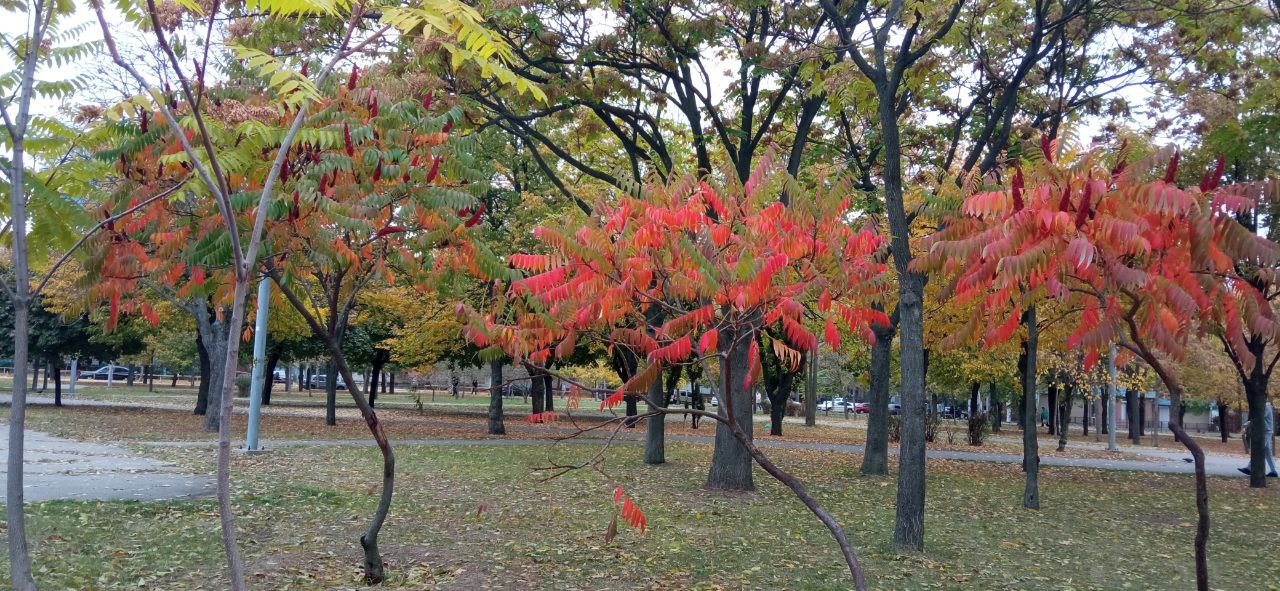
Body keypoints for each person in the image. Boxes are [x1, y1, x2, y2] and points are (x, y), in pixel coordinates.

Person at [1239, 400, 1278, 478]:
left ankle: (1249, 468)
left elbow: (1259, 417)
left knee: (1259, 449)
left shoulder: (1266, 407)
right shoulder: (1265, 406)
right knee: (1268, 453)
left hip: (1267, 432)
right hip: (1266, 431)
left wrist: (1247, 424)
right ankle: (1274, 472)